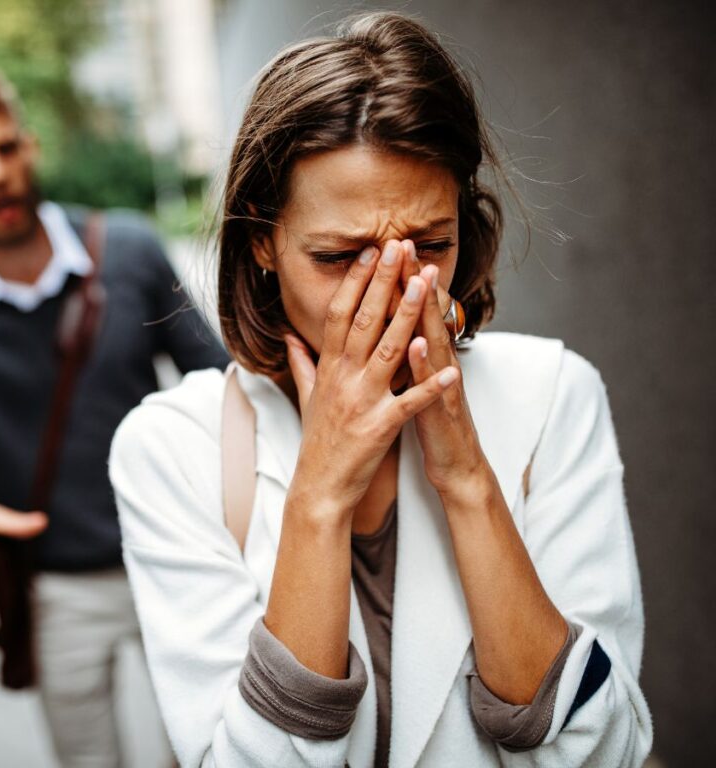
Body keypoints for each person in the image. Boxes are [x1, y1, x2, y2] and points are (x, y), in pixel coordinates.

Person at [108, 11, 652, 768]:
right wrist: (321, 493)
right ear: (262, 240)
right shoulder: (173, 449)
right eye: (339, 258)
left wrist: (466, 479)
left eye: (430, 246)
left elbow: (603, 752)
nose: (392, 293)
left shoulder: (555, 395)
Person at [0, 68, 228, 767]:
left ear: (30, 147)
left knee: (209, 753)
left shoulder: (127, 250)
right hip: (56, 587)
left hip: (178, 559)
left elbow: (217, 378)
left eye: (6, 148)